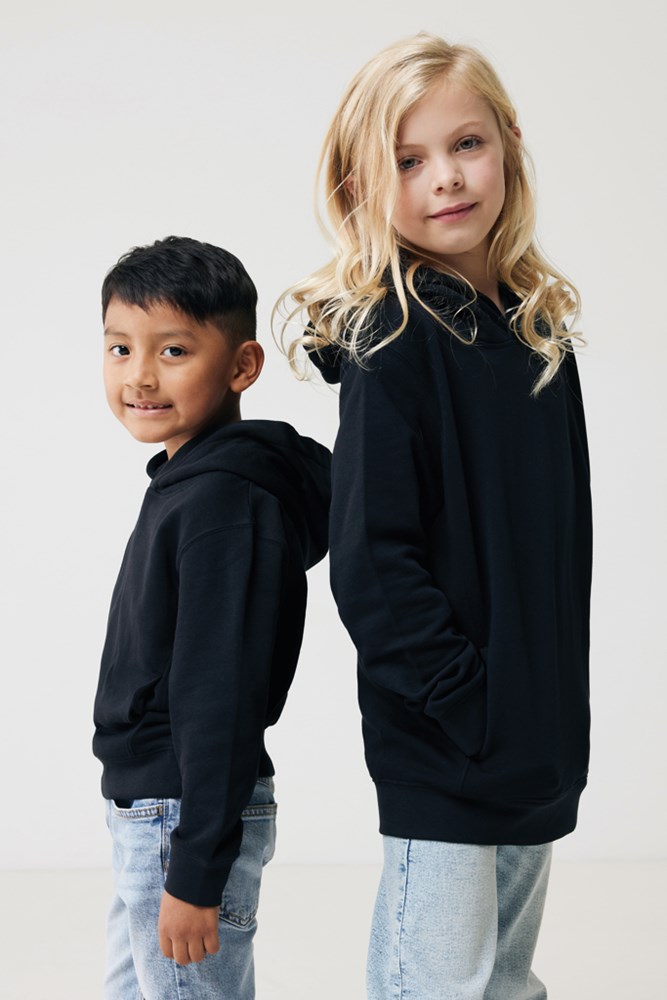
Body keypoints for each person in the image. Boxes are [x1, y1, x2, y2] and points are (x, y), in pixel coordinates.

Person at [278, 33, 592, 1000]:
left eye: (465, 144)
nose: (445, 178)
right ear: (362, 188)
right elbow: (371, 564)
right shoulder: (394, 340)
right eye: (406, 161)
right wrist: (467, 707)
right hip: (450, 751)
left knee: (505, 984)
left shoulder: (537, 334)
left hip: (533, 746)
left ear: (509, 143)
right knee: (436, 988)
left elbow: (559, 549)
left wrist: (538, 716)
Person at [94, 235, 331, 1000]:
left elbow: (218, 694)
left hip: (183, 816)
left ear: (242, 366)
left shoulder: (223, 502)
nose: (139, 375)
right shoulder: (187, 482)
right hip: (158, 812)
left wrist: (195, 870)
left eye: (172, 351)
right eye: (120, 348)